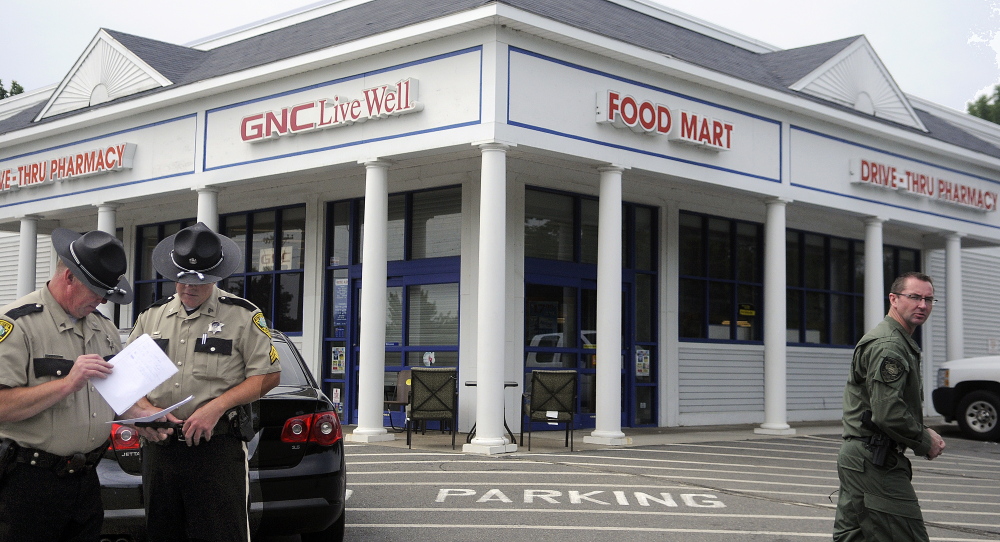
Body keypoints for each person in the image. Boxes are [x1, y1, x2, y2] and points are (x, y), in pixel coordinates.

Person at [128, 222, 280, 542]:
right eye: (182, 279)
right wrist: (142, 411)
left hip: (216, 451)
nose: (189, 288)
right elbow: (127, 382)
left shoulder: (243, 315)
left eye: (199, 282)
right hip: (161, 450)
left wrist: (217, 406)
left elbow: (268, 375)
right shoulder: (150, 317)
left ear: (216, 276)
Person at [0, 229, 142, 542]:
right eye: (97, 291)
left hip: (86, 482)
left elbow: (121, 395)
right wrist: (67, 384)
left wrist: (151, 418)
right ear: (69, 277)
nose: (103, 300)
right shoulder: (16, 324)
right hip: (31, 483)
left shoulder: (102, 327)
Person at [833, 271, 947, 541]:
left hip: (863, 456)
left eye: (929, 299)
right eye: (914, 297)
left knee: (856, 537)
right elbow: (889, 413)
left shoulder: (898, 341)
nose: (922, 305)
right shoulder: (889, 346)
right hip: (874, 459)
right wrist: (924, 439)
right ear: (894, 299)